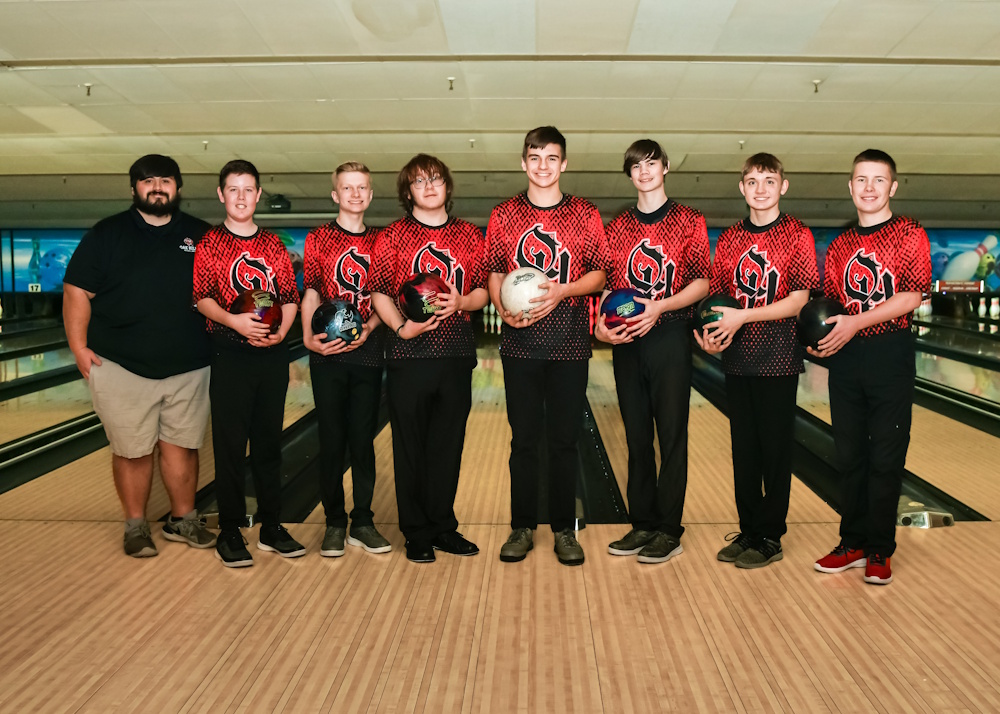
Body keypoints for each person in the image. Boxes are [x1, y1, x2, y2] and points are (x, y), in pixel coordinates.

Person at [63, 154, 216, 558]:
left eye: (165, 180)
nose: (157, 187)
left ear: (178, 187)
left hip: (190, 364)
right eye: (147, 181)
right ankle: (135, 526)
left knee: (182, 446)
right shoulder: (107, 234)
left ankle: (184, 519)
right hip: (121, 363)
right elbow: (77, 290)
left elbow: (224, 292)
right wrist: (79, 348)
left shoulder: (201, 235)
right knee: (132, 450)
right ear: (134, 189)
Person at [486, 126, 610, 566]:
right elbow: (496, 274)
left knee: (564, 441)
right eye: (535, 157)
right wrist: (502, 311)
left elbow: (599, 275)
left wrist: (562, 291)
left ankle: (563, 529)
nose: (543, 166)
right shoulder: (503, 215)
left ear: (564, 163)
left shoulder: (585, 214)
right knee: (523, 441)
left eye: (551, 158)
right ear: (524, 163)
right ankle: (521, 527)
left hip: (570, 345)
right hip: (520, 346)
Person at [694, 152, 819, 569]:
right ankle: (748, 530)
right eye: (752, 181)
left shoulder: (797, 234)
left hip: (780, 359)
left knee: (774, 451)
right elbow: (719, 303)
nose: (761, 188)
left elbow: (799, 300)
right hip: (738, 359)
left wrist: (743, 316)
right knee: (744, 451)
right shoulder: (729, 238)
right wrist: (714, 336)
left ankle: (770, 536)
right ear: (742, 188)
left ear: (783, 186)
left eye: (769, 180)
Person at [812, 149, 930, 586]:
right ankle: (853, 542)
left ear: (892, 187)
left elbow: (912, 296)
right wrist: (822, 343)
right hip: (847, 358)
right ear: (850, 186)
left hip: (889, 352)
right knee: (849, 455)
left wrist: (855, 323)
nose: (868, 188)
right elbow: (829, 310)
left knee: (885, 455)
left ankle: (879, 548)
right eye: (861, 179)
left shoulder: (909, 233)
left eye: (878, 180)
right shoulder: (840, 245)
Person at [369, 154, 488, 564]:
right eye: (420, 181)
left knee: (447, 447)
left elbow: (484, 294)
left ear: (447, 187)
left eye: (436, 178)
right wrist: (402, 328)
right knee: (410, 448)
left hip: (455, 356)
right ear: (408, 192)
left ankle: (443, 527)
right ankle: (416, 532)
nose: (430, 185)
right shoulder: (392, 237)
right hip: (408, 356)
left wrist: (461, 301)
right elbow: (380, 293)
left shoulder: (472, 236)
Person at [595, 139, 710, 564]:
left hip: (669, 337)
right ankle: (642, 524)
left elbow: (700, 282)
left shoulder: (689, 220)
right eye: (635, 166)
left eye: (651, 164)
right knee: (637, 436)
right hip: (628, 341)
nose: (644, 172)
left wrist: (659, 306)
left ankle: (668, 530)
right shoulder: (617, 226)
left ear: (665, 168)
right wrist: (601, 327)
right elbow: (609, 286)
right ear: (629, 174)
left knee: (672, 435)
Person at [192, 159, 301, 568]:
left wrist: (280, 332)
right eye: (232, 189)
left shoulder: (273, 244)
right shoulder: (210, 243)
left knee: (270, 443)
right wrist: (234, 321)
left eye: (248, 189)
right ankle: (232, 530)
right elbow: (202, 297)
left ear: (258, 195)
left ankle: (273, 526)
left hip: (271, 356)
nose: (241, 196)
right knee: (231, 447)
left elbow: (289, 297)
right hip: (230, 354)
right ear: (222, 195)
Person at [301, 161, 390, 558]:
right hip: (327, 357)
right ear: (336, 195)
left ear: (370, 195)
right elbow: (312, 294)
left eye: (362, 188)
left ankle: (364, 522)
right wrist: (308, 340)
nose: (355, 194)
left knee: (362, 442)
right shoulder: (319, 239)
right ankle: (334, 524)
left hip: (368, 355)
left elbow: (385, 299)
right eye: (347, 188)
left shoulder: (384, 241)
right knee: (332, 440)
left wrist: (369, 327)